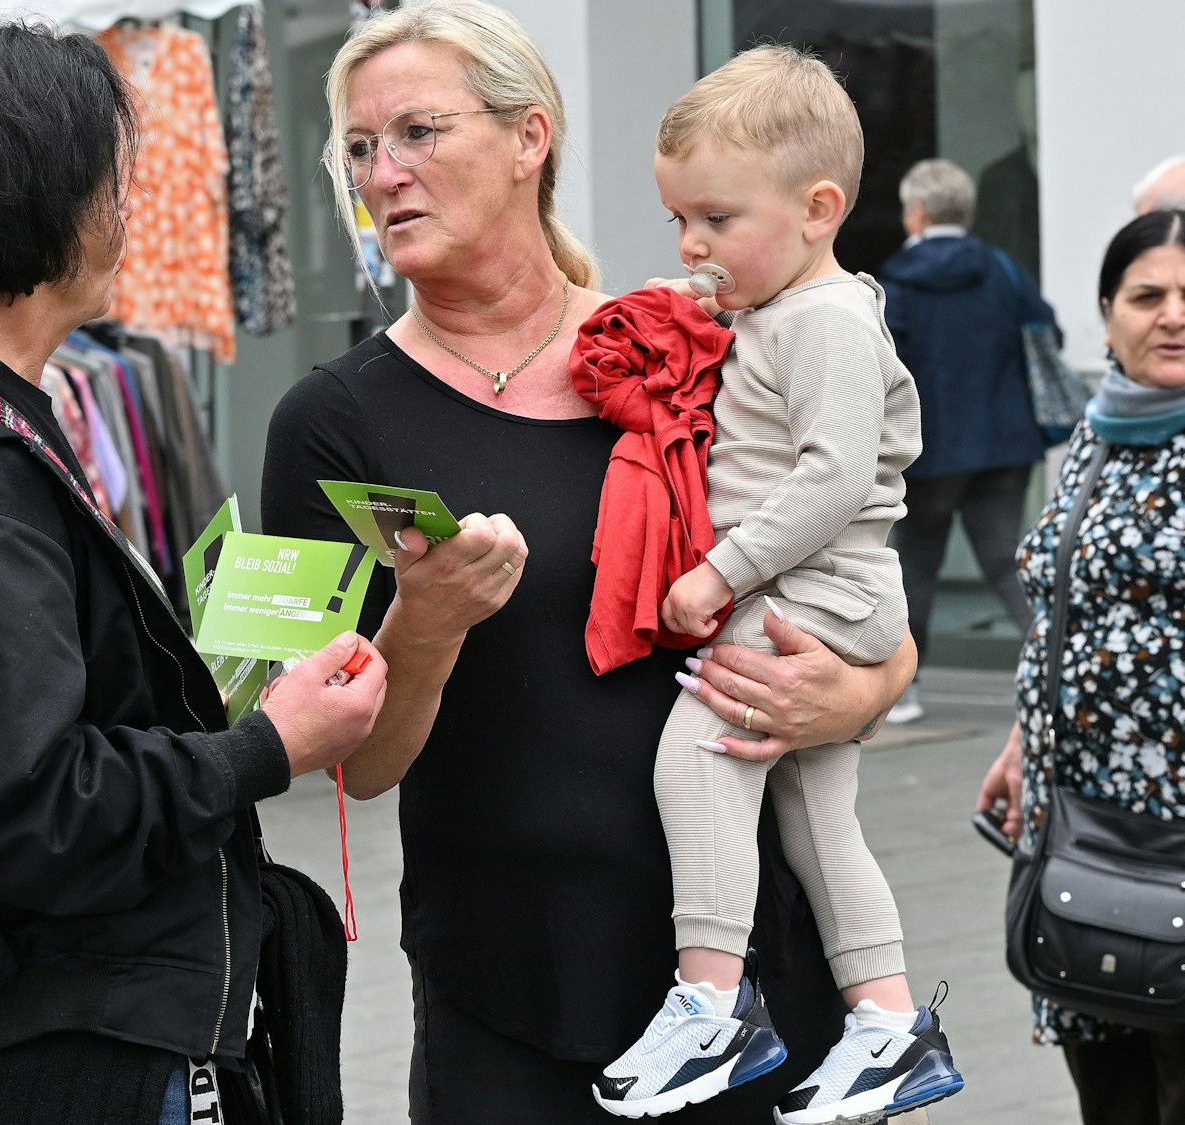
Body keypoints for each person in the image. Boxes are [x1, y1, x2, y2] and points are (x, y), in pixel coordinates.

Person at [260, 2, 918, 1120]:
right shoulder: (333, 421)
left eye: (417, 131)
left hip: (750, 982)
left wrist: (852, 693)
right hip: (509, 987)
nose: (383, 174)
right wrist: (424, 621)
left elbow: (863, 597)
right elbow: (353, 767)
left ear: (529, 138)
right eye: (360, 148)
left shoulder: (684, 344)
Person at [0, 14, 387, 1125]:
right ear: (54, 210)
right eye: (112, 180)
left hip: (5, 1032)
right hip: (49, 1045)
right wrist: (263, 750)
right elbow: (18, 811)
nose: (128, 210)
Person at [592, 48, 960, 1122]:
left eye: (713, 219)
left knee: (697, 754)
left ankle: (710, 1005)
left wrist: (718, 571)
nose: (692, 245)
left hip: (806, 588)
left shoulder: (827, 323)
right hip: (826, 598)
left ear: (816, 208)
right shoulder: (783, 312)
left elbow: (833, 477)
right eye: (676, 222)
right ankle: (887, 1026)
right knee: (814, 821)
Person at [977, 209, 1185, 1125]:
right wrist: (1026, 737)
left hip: (1176, 840)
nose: (1172, 315)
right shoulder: (1099, 433)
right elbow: (1070, 607)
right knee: (1108, 1090)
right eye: (1148, 296)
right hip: (1080, 829)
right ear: (1106, 316)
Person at [879, 157, 1055, 725]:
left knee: (914, 565)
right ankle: (1064, 674)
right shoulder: (1001, 268)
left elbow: (883, 367)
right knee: (1009, 561)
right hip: (1006, 442)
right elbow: (1047, 328)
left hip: (931, 450)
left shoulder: (895, 281)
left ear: (918, 213)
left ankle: (903, 689)